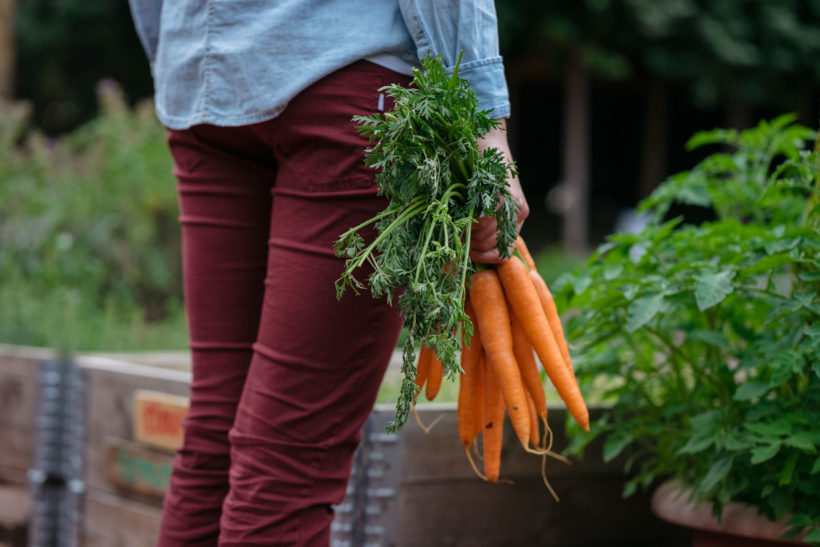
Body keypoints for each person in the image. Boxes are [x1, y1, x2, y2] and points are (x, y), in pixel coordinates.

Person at [126, 1, 529, 544]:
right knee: (288, 461)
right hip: (342, 71)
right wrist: (483, 122)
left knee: (215, 437)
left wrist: (177, 55)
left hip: (205, 84)